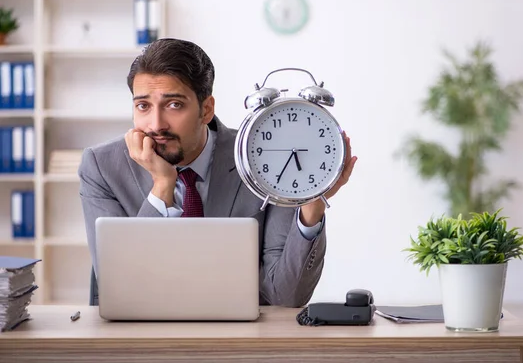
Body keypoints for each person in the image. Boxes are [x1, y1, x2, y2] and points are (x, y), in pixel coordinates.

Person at [78, 38, 357, 308]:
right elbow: (123, 287)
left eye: (174, 105)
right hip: (144, 339)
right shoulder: (101, 167)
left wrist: (311, 202)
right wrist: (163, 186)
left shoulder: (261, 159)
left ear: (206, 109)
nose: (156, 124)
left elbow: (285, 295)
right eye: (143, 106)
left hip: (239, 341)